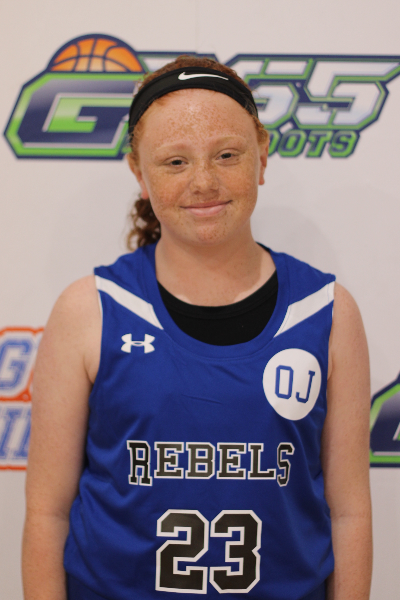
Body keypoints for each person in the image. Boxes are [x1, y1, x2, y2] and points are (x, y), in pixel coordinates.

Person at [22, 56, 372, 600]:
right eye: (175, 161)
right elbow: (47, 514)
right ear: (139, 173)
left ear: (262, 156)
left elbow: (349, 513)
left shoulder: (326, 312)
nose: (204, 182)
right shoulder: (89, 310)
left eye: (227, 155)